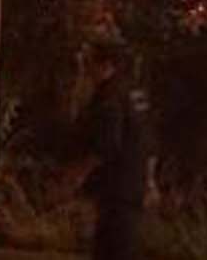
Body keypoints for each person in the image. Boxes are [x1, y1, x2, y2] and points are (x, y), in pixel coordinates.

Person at [79, 37, 154, 260]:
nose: (84, 67)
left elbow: (105, 146)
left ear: (104, 64)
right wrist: (149, 181)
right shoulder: (135, 92)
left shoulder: (108, 98)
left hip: (115, 191)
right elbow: (148, 140)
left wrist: (74, 178)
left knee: (109, 251)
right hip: (133, 187)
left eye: (88, 61)